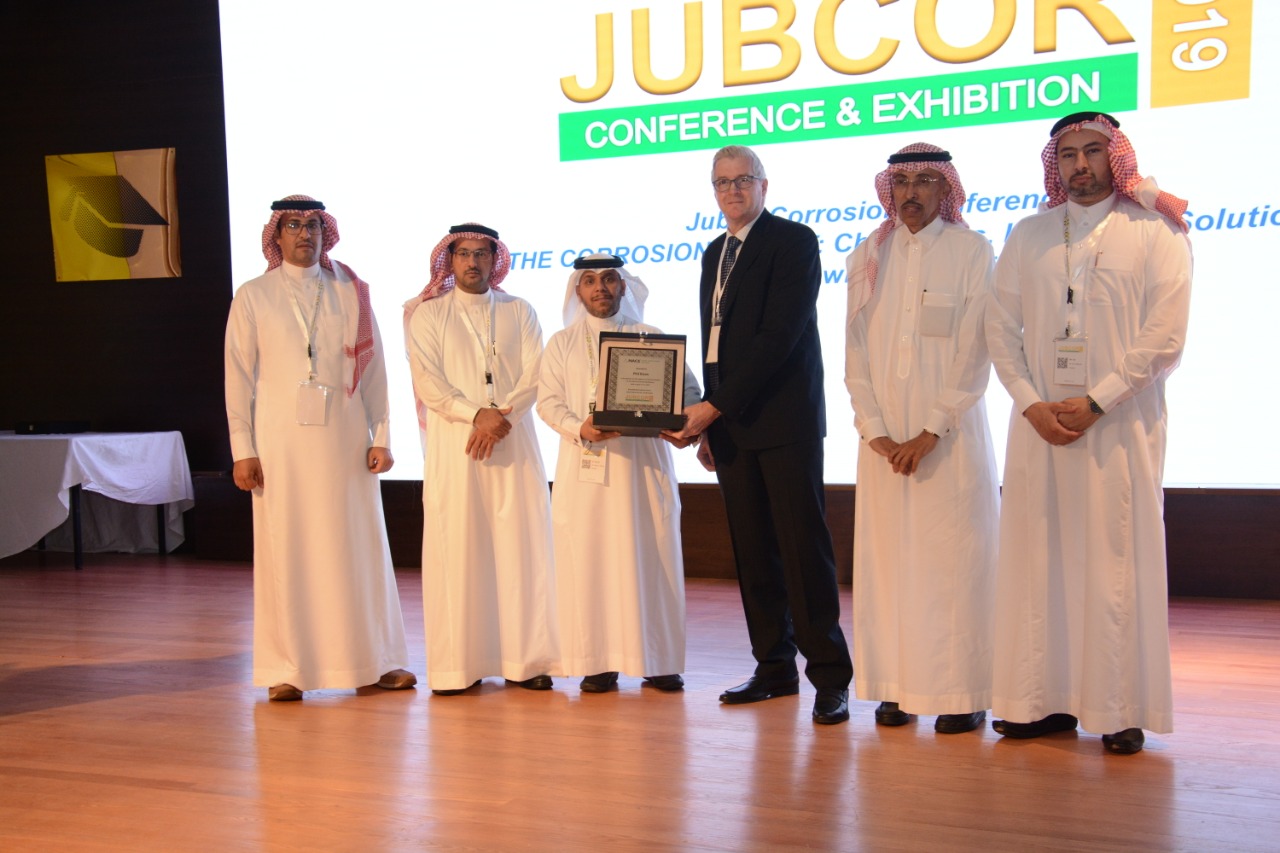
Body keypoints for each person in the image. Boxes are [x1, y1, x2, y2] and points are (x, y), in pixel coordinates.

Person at [986, 113, 1192, 754]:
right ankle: (1039, 702)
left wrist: (1099, 401)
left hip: (1119, 426)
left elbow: (1165, 336)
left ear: (1115, 156)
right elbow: (1000, 328)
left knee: (1113, 563)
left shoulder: (1154, 231)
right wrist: (1031, 404)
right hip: (1040, 427)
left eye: (1093, 151)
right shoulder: (1029, 234)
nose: (1080, 164)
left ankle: (1117, 706)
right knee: (1037, 560)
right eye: (1068, 154)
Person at [666, 145, 853, 725]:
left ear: (764, 185)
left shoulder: (793, 241)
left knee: (802, 550)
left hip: (785, 421)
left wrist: (711, 409)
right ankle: (774, 668)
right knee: (753, 554)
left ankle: (830, 678)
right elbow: (715, 343)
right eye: (722, 182)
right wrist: (711, 422)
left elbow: (779, 337)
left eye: (743, 179)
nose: (732, 190)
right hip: (732, 426)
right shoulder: (713, 252)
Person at [224, 194, 414, 702]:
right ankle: (289, 668)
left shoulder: (351, 291)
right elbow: (238, 377)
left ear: (325, 232)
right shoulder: (253, 295)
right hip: (280, 445)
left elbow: (374, 372)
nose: (304, 233)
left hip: (345, 442)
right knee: (287, 548)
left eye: (312, 225)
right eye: (293, 225)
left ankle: (374, 662)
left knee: (355, 547)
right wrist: (243, 449)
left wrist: (382, 436)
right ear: (276, 235)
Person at [843, 143, 999, 733]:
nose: (912, 192)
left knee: (954, 565)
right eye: (903, 181)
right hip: (883, 444)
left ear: (945, 189)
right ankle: (896, 686)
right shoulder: (869, 254)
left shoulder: (971, 250)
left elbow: (977, 347)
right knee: (889, 564)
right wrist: (875, 430)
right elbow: (855, 349)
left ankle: (961, 693)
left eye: (926, 180)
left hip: (949, 440)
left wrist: (933, 427)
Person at [403, 223, 559, 695]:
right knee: (458, 549)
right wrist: (476, 415)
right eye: (463, 254)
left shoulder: (519, 311)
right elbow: (428, 381)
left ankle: (526, 661)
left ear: (495, 260)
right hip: (457, 447)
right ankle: (457, 667)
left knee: (521, 548)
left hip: (513, 442)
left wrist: (499, 417)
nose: (472, 262)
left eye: (481, 254)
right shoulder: (428, 315)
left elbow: (537, 374)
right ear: (449, 261)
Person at [537, 253, 700, 694]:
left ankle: (658, 660)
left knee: (652, 558)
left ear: (623, 286)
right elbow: (548, 403)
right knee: (589, 561)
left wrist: (682, 422)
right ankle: (597, 662)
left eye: (609, 279)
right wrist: (580, 427)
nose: (600, 288)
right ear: (578, 291)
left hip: (643, 469)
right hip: (586, 470)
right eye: (590, 281)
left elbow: (688, 391)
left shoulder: (652, 337)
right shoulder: (561, 344)